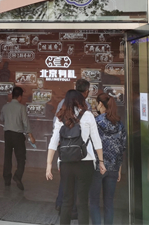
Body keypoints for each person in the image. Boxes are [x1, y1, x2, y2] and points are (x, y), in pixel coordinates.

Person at [47, 90, 106, 225]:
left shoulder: (61, 116)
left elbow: (54, 141)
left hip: (66, 163)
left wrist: (49, 164)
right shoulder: (88, 115)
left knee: (67, 200)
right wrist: (101, 161)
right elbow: (96, 140)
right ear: (80, 101)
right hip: (85, 162)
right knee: (82, 202)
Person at [55, 79, 92, 215]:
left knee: (66, 178)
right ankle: (73, 209)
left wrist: (60, 142)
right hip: (78, 147)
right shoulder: (86, 106)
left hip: (64, 146)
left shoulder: (62, 103)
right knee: (77, 180)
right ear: (86, 91)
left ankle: (61, 204)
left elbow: (56, 124)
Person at [89, 92, 126, 225]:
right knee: (109, 203)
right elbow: (122, 147)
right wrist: (119, 168)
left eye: (96, 103)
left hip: (98, 167)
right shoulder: (119, 124)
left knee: (94, 201)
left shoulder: (96, 122)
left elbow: (90, 144)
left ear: (100, 104)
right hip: (113, 167)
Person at [0, 86, 35, 190]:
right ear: (20, 96)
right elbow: (25, 122)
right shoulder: (21, 107)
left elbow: (1, 118)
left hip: (7, 134)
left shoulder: (5, 107)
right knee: (21, 158)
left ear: (12, 95)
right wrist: (30, 135)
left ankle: (7, 179)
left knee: (7, 157)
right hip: (18, 135)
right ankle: (17, 176)